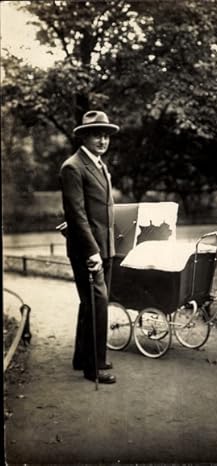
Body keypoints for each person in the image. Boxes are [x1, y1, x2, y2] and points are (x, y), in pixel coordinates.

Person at [59, 110, 119, 383]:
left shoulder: (98, 165)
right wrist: (92, 251)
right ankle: (93, 368)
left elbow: (103, 210)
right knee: (98, 303)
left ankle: (82, 357)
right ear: (84, 136)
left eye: (106, 135)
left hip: (103, 246)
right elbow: (77, 214)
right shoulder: (73, 166)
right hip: (88, 249)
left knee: (90, 302)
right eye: (97, 134)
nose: (103, 140)